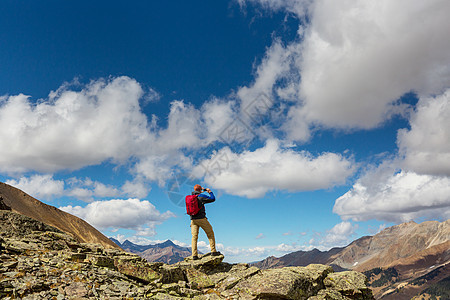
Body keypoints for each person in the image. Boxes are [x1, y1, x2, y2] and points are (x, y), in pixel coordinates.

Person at [189, 184, 220, 260]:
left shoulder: (190, 198)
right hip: (201, 219)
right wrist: (209, 191)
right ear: (200, 190)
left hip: (193, 220)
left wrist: (200, 190)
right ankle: (213, 251)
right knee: (210, 233)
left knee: (194, 237)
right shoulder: (201, 196)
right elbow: (212, 199)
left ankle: (194, 255)